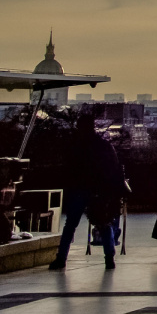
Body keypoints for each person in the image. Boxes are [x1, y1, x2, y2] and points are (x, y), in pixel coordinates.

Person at [52, 115, 130, 271]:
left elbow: (67, 169)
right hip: (99, 191)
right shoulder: (104, 146)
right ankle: (109, 257)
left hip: (78, 189)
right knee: (104, 223)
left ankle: (61, 258)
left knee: (70, 226)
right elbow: (114, 169)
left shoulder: (75, 146)